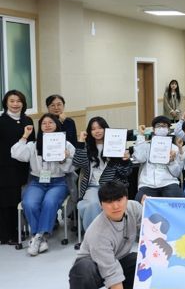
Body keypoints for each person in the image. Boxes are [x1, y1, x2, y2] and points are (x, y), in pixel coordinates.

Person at [68, 181, 141, 289]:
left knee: (138, 260)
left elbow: (152, 223)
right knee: (83, 270)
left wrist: (150, 204)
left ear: (126, 198)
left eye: (119, 200)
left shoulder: (134, 208)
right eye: (109, 202)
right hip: (93, 267)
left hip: (118, 259)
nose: (115, 206)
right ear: (101, 205)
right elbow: (110, 270)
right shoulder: (98, 232)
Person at [12, 113, 75, 256]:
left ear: (56, 125)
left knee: (49, 201)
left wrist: (63, 159)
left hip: (58, 182)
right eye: (44, 123)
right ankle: (40, 236)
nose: (47, 125)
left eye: (50, 122)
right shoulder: (33, 145)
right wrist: (25, 136)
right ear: (40, 127)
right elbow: (16, 154)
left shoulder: (66, 145)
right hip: (37, 181)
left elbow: (72, 168)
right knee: (29, 203)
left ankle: (38, 237)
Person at [74, 116, 132, 231]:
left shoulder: (116, 145)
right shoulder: (87, 147)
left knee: (110, 205)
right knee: (93, 205)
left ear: (106, 129)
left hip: (111, 186)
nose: (97, 131)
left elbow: (125, 172)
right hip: (92, 186)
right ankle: (94, 235)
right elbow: (77, 162)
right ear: (89, 132)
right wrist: (80, 141)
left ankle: (110, 233)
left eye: (100, 128)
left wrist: (125, 161)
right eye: (93, 129)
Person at [0, 90, 34, 245]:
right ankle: (7, 234)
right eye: (12, 101)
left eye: (19, 101)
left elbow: (32, 144)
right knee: (7, 201)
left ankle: (19, 230)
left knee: (20, 199)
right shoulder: (1, 121)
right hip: (5, 167)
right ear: (6, 103)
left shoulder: (28, 120)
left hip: (24, 167)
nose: (15, 104)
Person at [131, 116, 183, 202]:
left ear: (168, 130)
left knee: (178, 201)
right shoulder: (146, 146)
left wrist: (172, 161)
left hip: (169, 183)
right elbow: (140, 158)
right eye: (158, 126)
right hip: (148, 184)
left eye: (164, 126)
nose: (161, 128)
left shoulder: (174, 148)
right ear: (153, 129)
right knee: (140, 202)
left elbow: (177, 173)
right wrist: (140, 136)